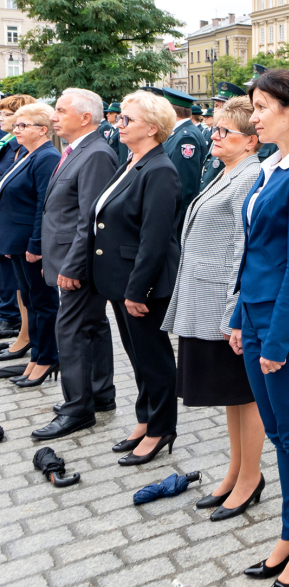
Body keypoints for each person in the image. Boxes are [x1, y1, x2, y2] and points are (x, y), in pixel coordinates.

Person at [225, 69, 289, 583]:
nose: (254, 117)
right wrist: (239, 318)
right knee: (279, 435)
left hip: (287, 326)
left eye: (262, 107)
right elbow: (257, 254)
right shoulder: (273, 166)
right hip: (257, 318)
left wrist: (278, 340)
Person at [163, 96, 265, 519]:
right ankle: (235, 472)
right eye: (215, 129)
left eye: (225, 131)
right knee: (230, 394)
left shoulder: (250, 176)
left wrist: (233, 311)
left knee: (246, 394)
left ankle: (250, 477)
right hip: (206, 300)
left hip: (225, 305)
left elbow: (245, 250)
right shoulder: (227, 171)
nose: (214, 136)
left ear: (251, 140)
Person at [89, 90, 182, 465]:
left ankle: (161, 428)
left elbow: (155, 239)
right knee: (138, 356)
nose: (119, 124)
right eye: (120, 118)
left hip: (143, 285)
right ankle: (145, 419)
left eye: (127, 119)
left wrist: (138, 290)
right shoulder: (133, 161)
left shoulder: (159, 170)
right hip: (122, 279)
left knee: (154, 359)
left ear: (153, 127)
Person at [32, 90, 119, 440]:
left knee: (70, 331)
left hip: (79, 265)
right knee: (92, 325)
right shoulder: (78, 149)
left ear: (85, 118)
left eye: (61, 110)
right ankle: (99, 394)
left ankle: (78, 408)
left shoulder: (95, 153)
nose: (54, 116)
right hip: (68, 259)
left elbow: (90, 220)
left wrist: (72, 267)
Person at [1, 102, 61, 387]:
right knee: (30, 301)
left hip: (30, 244)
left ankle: (48, 357)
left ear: (43, 129)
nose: (17, 130)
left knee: (43, 303)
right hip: (16, 241)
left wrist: (36, 245)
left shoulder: (46, 156)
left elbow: (43, 206)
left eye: (23, 125)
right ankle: (37, 356)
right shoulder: (28, 154)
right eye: (16, 125)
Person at [0, 94, 34, 355]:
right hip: (10, 226)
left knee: (26, 291)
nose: (2, 118)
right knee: (18, 287)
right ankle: (23, 334)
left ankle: (25, 334)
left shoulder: (24, 150)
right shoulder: (12, 146)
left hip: (22, 231)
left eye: (8, 114)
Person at [155, 87, 207, 233]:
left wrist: (174, 222)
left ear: (170, 111)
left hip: (177, 220)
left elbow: (184, 186)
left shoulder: (186, 137)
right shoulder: (179, 133)